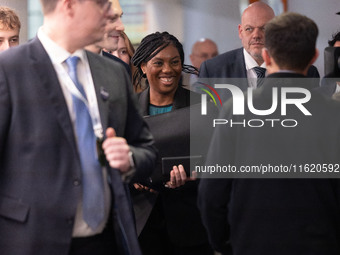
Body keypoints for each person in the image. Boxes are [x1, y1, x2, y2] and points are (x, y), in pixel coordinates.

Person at [0, 0, 157, 254]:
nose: (112, 16)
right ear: (70, 6)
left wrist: (128, 157)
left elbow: (146, 149)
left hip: (107, 241)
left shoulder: (113, 73)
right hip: (32, 242)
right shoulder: (9, 70)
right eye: (102, 5)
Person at [198, 12, 340, 255]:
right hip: (321, 243)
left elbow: (212, 191)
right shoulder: (334, 112)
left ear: (266, 55)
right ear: (314, 56)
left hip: (251, 242)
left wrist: (221, 242)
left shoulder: (236, 109)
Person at [131, 31, 214, 255]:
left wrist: (194, 175)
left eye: (175, 62)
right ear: (143, 67)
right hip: (141, 227)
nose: (168, 70)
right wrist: (131, 178)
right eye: (158, 62)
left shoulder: (203, 105)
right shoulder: (127, 110)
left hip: (191, 224)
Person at [199, 2, 319, 97]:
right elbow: (203, 121)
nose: (256, 35)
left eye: (264, 28)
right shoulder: (212, 70)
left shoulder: (306, 72)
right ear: (240, 32)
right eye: (249, 29)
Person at [85, 0, 131, 77]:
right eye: (112, 18)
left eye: (120, 17)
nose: (121, 27)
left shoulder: (120, 70)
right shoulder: (63, 64)